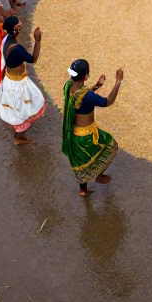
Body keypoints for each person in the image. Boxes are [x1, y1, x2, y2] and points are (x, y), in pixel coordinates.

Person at [62, 59, 123, 198]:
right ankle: (99, 175)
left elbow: (80, 98)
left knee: (81, 164)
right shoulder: (88, 96)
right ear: (85, 76)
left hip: (75, 134)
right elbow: (107, 102)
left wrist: (96, 85)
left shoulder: (68, 86)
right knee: (111, 146)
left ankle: (83, 190)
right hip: (88, 134)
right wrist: (118, 82)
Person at [0, 16, 46, 144]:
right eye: (19, 24)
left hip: (9, 81)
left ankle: (18, 133)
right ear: (16, 29)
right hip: (18, 84)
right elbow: (33, 59)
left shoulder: (6, 41)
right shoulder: (17, 49)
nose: (21, 23)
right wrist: (37, 40)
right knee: (25, 109)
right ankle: (19, 137)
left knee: (15, 108)